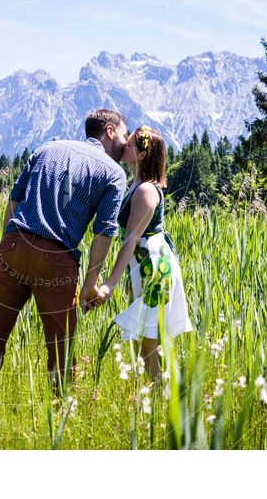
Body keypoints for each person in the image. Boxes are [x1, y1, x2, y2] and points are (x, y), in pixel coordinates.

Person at [0, 109, 128, 400]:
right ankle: (60, 412)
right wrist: (91, 283)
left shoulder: (47, 148)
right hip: (56, 258)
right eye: (123, 134)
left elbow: (15, 199)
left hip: (15, 245)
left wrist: (6, 242)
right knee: (61, 344)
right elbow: (104, 232)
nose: (126, 141)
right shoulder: (114, 174)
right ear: (109, 131)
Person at [90, 126, 192, 379]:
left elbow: (132, 239)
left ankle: (162, 398)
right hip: (143, 266)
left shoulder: (146, 190)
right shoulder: (138, 185)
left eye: (131, 143)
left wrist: (110, 283)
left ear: (143, 154)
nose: (124, 144)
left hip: (153, 267)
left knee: (148, 341)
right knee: (142, 340)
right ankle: (154, 398)